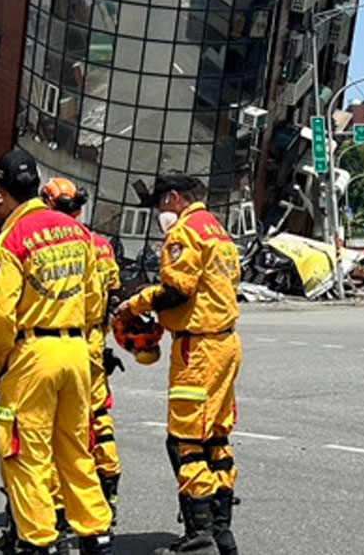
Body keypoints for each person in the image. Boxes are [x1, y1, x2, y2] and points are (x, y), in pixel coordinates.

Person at [0, 151, 112, 555]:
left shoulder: (11, 241)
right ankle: (96, 536)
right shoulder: (76, 231)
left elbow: (2, 315)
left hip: (33, 354)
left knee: (24, 453)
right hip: (77, 349)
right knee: (76, 450)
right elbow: (96, 301)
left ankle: (40, 542)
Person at [113, 174, 242, 555]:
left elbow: (177, 290)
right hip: (227, 344)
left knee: (186, 441)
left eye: (160, 205)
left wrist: (135, 303)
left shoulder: (186, 232)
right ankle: (222, 530)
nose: (159, 213)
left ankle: (198, 531)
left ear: (173, 198)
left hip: (197, 349)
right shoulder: (218, 231)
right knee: (216, 437)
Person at [41, 177, 124, 516]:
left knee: (60, 427)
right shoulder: (101, 244)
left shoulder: (60, 241)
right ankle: (107, 488)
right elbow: (114, 290)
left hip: (64, 339)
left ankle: (59, 502)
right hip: (93, 342)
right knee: (99, 417)